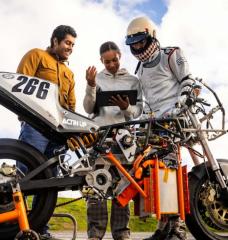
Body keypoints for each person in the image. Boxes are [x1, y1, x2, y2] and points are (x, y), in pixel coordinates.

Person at [125, 16, 195, 240]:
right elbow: (145, 103)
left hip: (174, 122)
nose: (137, 47)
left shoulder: (171, 55)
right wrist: (138, 122)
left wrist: (181, 104)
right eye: (133, 44)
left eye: (139, 41)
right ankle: (164, 226)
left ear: (151, 36)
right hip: (153, 125)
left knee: (171, 174)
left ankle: (178, 228)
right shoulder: (140, 70)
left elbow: (187, 81)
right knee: (153, 176)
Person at [17, 25, 77, 239]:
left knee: (49, 182)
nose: (70, 47)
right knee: (24, 176)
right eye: (67, 43)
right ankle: (16, 228)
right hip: (35, 127)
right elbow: (20, 85)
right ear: (55, 40)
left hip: (58, 133)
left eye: (73, 44)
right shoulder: (36, 56)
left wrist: (71, 133)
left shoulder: (70, 74)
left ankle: (40, 230)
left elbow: (71, 106)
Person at [83, 41, 143, 240]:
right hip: (99, 137)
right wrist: (91, 86)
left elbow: (137, 113)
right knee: (96, 186)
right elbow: (88, 108)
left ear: (120, 56)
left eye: (114, 60)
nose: (111, 65)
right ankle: (95, 234)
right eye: (107, 62)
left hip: (123, 139)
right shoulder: (97, 78)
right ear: (101, 60)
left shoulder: (133, 81)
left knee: (122, 186)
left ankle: (121, 233)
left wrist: (126, 107)